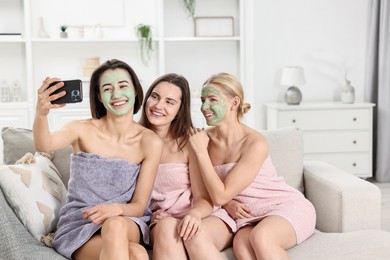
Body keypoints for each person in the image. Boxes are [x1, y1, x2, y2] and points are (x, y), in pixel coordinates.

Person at [33, 59, 163, 260]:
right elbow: (44, 144)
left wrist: (115, 209)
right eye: (107, 88)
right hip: (80, 223)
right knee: (136, 254)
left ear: (136, 91)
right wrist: (42, 113)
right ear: (99, 97)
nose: (116, 94)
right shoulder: (80, 129)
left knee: (115, 224)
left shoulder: (150, 142)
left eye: (123, 86)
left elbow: (139, 205)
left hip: (126, 219)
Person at [188, 72, 316, 260]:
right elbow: (208, 194)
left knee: (262, 237)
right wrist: (229, 203)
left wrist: (201, 153)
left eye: (213, 99)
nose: (205, 107)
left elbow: (221, 194)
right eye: (203, 100)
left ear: (234, 102)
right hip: (246, 219)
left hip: (283, 206)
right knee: (242, 245)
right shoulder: (201, 139)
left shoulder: (254, 143)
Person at [139, 73, 213, 260]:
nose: (158, 106)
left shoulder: (190, 142)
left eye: (170, 102)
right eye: (155, 97)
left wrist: (193, 215)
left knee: (180, 230)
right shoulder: (133, 140)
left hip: (192, 217)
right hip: (158, 222)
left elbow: (204, 199)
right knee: (166, 227)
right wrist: (149, 216)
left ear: (180, 110)